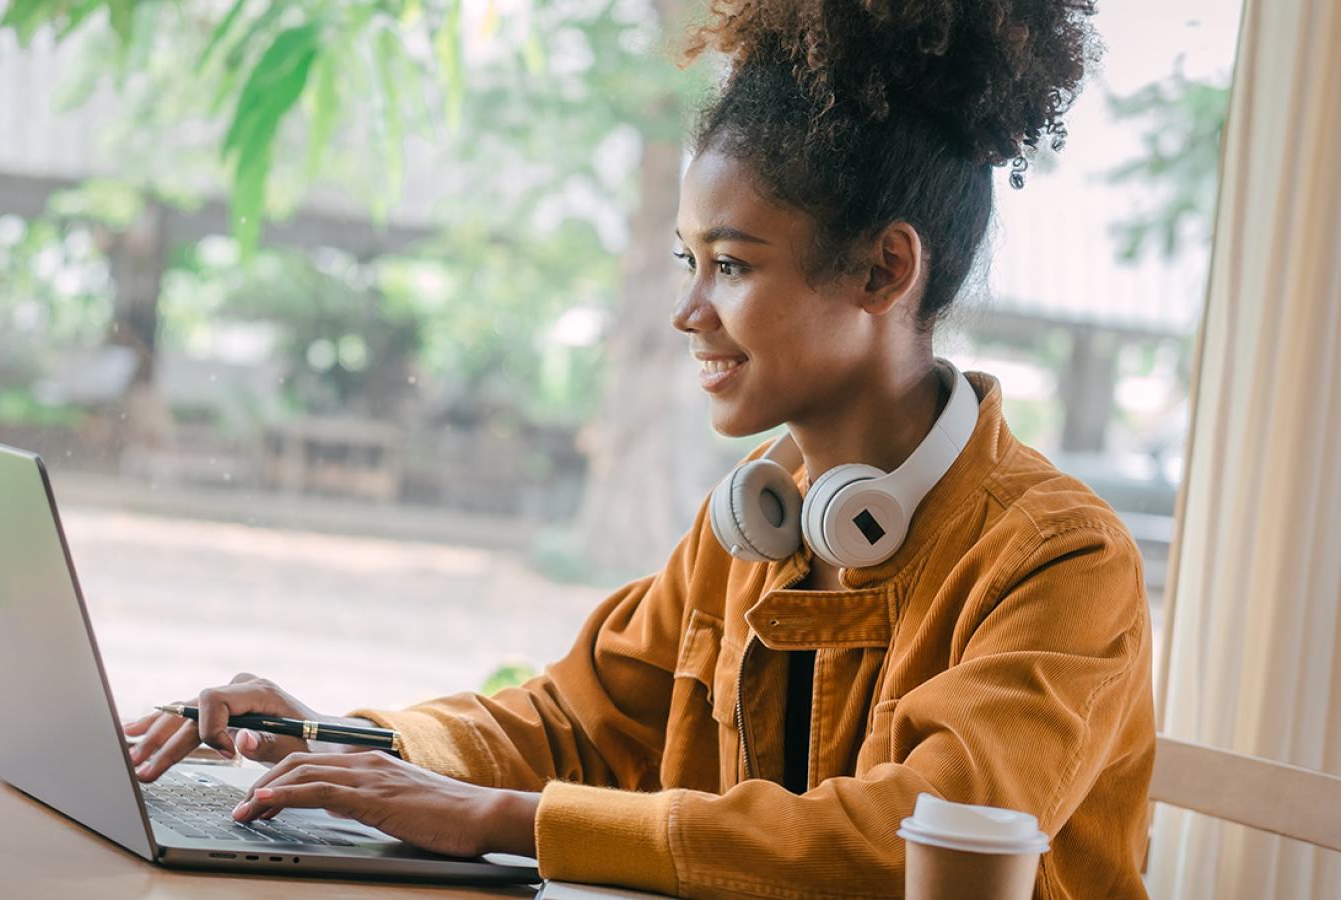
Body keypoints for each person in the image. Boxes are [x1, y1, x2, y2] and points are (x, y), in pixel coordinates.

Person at [125, 1, 1154, 896]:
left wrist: (503, 820)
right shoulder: (758, 525)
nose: (689, 311)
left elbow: (904, 835)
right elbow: (574, 722)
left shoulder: (1060, 560)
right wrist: (349, 742)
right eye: (687, 261)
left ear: (884, 271)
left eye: (733, 265)